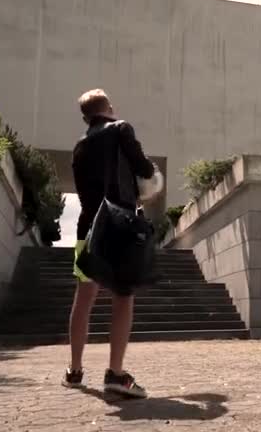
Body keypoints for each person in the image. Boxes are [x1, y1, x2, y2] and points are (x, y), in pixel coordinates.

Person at [62, 89, 155, 397]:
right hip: (118, 225)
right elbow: (144, 169)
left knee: (83, 298)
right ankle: (115, 374)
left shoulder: (78, 145)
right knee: (123, 296)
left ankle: (75, 372)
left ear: (87, 116)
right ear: (109, 108)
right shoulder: (121, 128)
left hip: (88, 227)